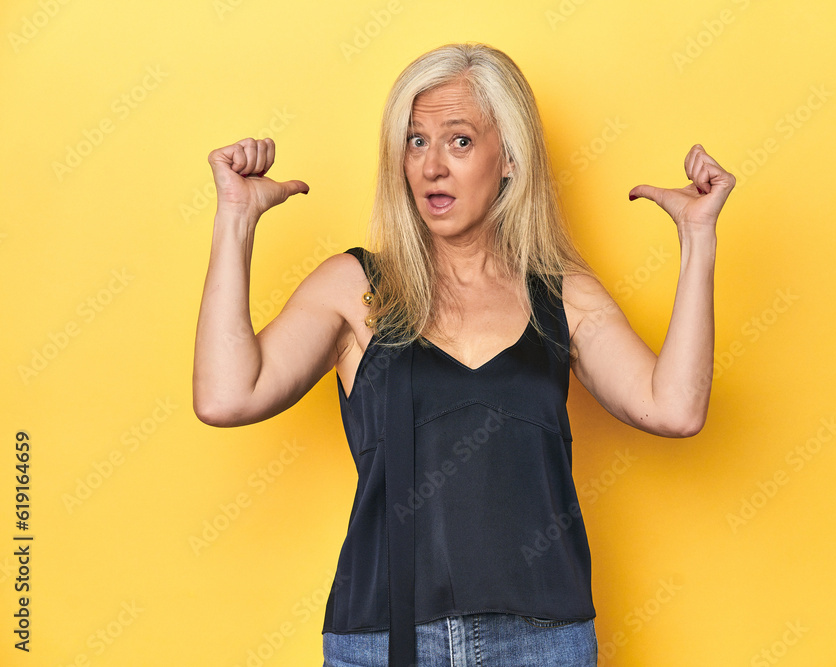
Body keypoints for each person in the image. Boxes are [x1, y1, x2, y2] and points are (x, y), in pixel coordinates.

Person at [193, 42, 734, 667]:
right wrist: (235, 220)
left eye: (458, 141)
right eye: (415, 141)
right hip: (381, 641)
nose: (431, 168)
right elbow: (226, 396)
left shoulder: (563, 296)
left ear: (509, 157)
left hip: (542, 642)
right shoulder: (356, 287)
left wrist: (698, 240)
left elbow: (675, 409)